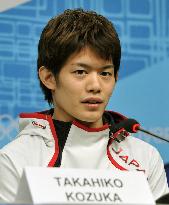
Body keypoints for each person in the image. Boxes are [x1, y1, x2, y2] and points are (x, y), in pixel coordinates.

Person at [0, 8, 168, 202]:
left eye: (105, 73)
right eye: (80, 72)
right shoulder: (13, 161)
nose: (96, 86)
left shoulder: (145, 156)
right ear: (49, 78)